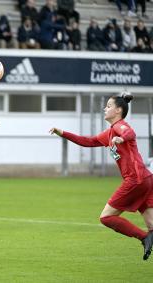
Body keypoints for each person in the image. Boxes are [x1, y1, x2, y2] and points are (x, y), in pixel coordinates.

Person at [50, 92, 153, 261]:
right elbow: (87, 141)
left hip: (136, 179)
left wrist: (122, 139)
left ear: (118, 110)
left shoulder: (119, 126)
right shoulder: (109, 133)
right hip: (146, 179)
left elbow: (130, 133)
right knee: (152, 226)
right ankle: (147, 235)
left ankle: (143, 238)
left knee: (106, 217)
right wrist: (62, 132)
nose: (105, 108)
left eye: (109, 106)